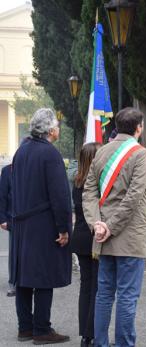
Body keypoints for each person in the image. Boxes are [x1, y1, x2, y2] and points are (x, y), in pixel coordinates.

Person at [83, 107, 146, 347]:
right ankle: (124, 344)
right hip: (129, 236)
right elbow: (134, 196)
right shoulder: (141, 155)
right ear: (138, 128)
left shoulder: (101, 153)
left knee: (104, 295)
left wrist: (97, 225)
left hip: (103, 237)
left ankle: (100, 343)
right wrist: (110, 226)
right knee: (127, 296)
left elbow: (89, 192)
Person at [11, 108, 72, 344]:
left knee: (24, 276)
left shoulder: (21, 151)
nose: (58, 128)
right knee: (43, 276)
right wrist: (63, 228)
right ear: (49, 130)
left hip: (23, 223)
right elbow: (59, 196)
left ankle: (25, 327)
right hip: (43, 223)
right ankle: (42, 329)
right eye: (56, 124)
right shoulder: (50, 154)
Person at [70, 142, 101, 347]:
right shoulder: (96, 184)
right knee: (97, 288)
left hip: (79, 237)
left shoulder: (77, 182)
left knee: (86, 286)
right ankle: (92, 333)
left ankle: (85, 334)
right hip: (93, 238)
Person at [0, 164, 15, 297]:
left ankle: (28, 281)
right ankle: (13, 284)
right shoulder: (7, 171)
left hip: (32, 219)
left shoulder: (34, 168)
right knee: (14, 252)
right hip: (13, 218)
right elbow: (2, 195)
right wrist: (2, 218)